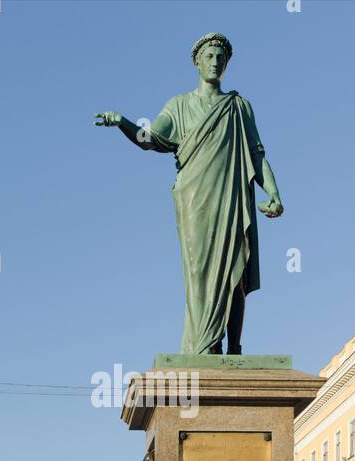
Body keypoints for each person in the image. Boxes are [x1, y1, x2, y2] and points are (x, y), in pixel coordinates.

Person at [95, 32, 284, 355]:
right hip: (195, 201)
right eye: (209, 56)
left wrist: (275, 194)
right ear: (197, 62)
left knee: (235, 267)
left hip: (232, 196)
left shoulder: (238, 107)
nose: (215, 62)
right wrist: (123, 122)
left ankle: (234, 348)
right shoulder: (180, 105)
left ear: (226, 65)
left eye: (220, 58)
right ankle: (207, 347)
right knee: (200, 273)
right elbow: (150, 138)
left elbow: (256, 154)